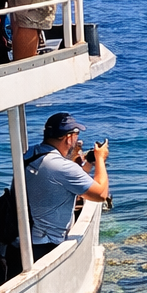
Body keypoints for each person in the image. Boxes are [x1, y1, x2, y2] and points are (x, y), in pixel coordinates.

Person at [23, 112, 109, 263]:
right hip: (49, 244)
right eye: (76, 135)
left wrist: (87, 164)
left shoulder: (30, 153)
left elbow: (63, 180)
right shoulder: (61, 166)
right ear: (68, 138)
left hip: (27, 238)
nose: (78, 140)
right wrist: (100, 159)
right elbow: (100, 194)